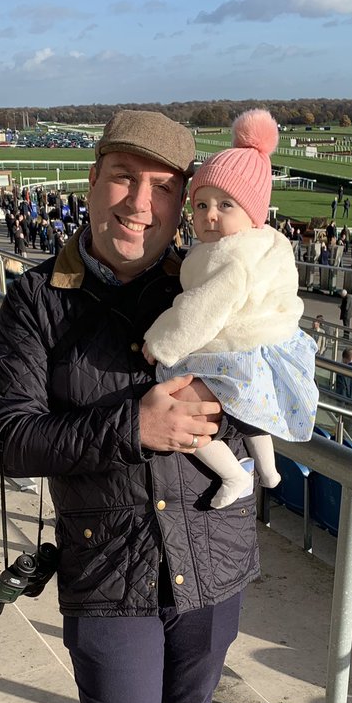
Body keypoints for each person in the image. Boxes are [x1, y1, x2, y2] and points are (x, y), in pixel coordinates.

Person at [0, 110, 259, 703]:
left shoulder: (214, 282)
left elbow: (275, 394)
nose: (139, 204)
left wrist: (241, 408)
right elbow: (10, 437)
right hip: (111, 563)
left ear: (184, 206)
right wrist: (127, 427)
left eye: (163, 188)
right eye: (123, 179)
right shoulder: (38, 298)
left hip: (211, 554)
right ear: (93, 182)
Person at [142, 111, 318, 509]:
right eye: (201, 204)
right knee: (252, 412)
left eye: (225, 204)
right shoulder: (268, 242)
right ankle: (269, 471)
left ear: (253, 212)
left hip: (237, 352)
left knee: (179, 403)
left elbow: (200, 311)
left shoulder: (229, 259)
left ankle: (234, 475)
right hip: (268, 349)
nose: (210, 215)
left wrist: (161, 342)